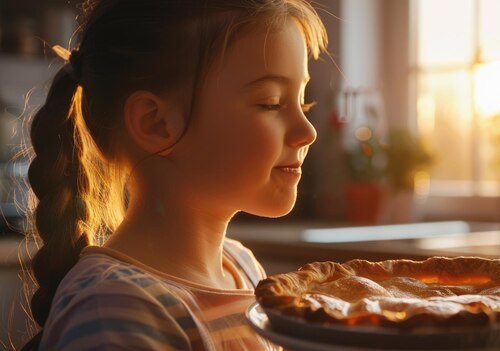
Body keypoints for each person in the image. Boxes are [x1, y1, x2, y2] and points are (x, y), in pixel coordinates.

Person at [22, 0, 327, 349]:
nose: (308, 131)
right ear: (156, 122)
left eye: (301, 102)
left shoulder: (243, 269)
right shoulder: (117, 310)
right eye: (271, 102)